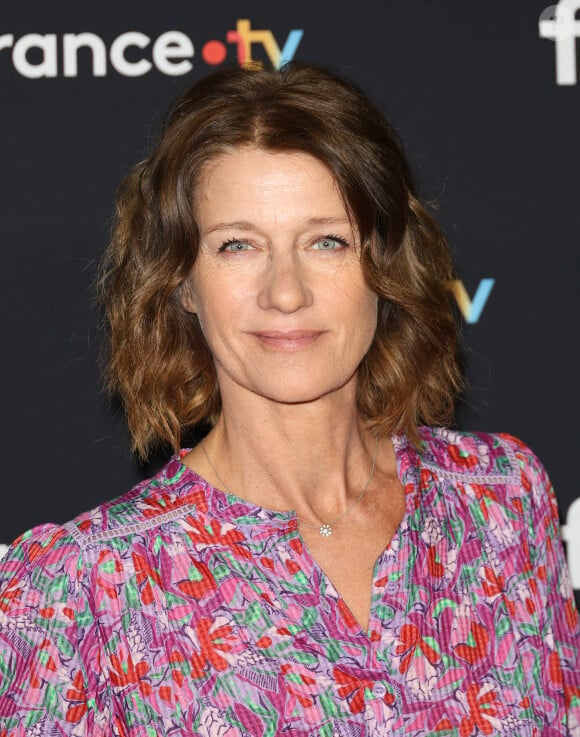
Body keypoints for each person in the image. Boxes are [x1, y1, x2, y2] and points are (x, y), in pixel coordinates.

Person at [0, 62, 578, 737]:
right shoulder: (83, 591)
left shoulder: (499, 503)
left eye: (325, 241)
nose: (285, 291)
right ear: (182, 283)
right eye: (238, 245)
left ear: (384, 266)